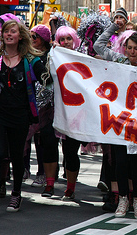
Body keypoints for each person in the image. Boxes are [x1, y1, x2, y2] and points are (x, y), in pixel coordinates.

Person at [94, 22, 137, 220]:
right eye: (129, 47)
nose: (132, 52)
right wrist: (114, 25)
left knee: (136, 163)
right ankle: (122, 199)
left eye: (136, 49)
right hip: (119, 120)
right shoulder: (119, 61)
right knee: (120, 162)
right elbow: (98, 46)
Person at [0, 17, 49, 215]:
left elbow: (47, 80)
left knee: (16, 156)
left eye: (13, 31)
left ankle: (17, 193)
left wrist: (49, 66)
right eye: (6, 31)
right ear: (2, 35)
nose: (9, 34)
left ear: (20, 36)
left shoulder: (31, 59)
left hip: (20, 113)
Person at [54, 26, 85, 201]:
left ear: (75, 40)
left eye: (68, 39)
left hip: (80, 111)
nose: (65, 43)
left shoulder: (84, 58)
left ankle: (115, 191)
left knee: (72, 150)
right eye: (61, 39)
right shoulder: (54, 57)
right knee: (68, 151)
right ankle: (70, 188)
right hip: (60, 109)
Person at [29, 25, 59, 197]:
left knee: (49, 141)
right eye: (31, 36)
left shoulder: (53, 55)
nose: (33, 40)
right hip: (32, 104)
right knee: (37, 141)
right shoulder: (29, 55)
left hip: (52, 106)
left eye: (36, 37)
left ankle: (49, 182)